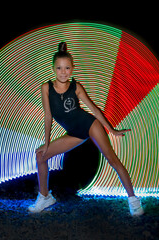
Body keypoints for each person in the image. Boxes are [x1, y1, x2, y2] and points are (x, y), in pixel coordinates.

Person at [28, 42, 144, 216]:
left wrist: (111, 130)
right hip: (74, 133)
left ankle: (134, 200)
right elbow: (48, 116)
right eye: (59, 68)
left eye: (67, 68)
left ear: (72, 69)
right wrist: (46, 143)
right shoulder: (46, 88)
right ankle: (45, 197)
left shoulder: (76, 87)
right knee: (40, 155)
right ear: (53, 68)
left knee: (112, 159)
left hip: (90, 125)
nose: (63, 72)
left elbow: (95, 110)